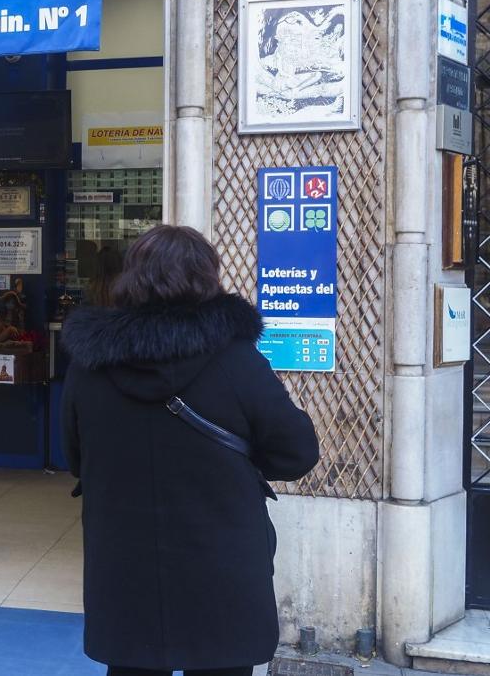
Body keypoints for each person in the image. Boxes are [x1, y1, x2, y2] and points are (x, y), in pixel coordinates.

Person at [59, 225, 319, 675]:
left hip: (125, 564)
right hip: (222, 567)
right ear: (207, 279)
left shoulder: (90, 364)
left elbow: (75, 456)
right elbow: (297, 453)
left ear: (131, 278)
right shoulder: (237, 360)